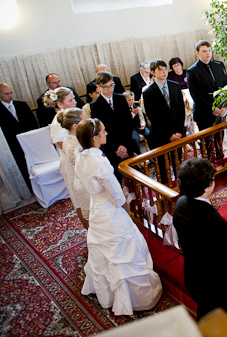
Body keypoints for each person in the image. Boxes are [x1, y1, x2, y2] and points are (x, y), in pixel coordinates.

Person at [75, 118, 162, 316]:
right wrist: (126, 208)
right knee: (123, 250)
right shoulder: (100, 162)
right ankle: (134, 297)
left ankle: (110, 292)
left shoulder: (81, 158)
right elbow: (115, 193)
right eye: (103, 131)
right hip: (110, 211)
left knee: (105, 252)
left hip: (96, 208)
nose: (106, 133)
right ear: (95, 138)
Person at [172, 158, 227, 320]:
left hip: (194, 274)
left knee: (205, 312)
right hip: (216, 285)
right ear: (206, 187)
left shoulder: (181, 203)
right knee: (222, 321)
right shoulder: (211, 221)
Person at [90, 70, 137, 182]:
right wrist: (116, 148)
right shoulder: (95, 106)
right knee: (118, 177)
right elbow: (101, 130)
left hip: (126, 142)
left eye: (111, 85)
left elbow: (128, 122)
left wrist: (124, 145)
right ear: (99, 86)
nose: (110, 89)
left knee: (133, 175)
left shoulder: (120, 98)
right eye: (106, 87)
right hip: (111, 147)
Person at [0, 83, 38, 190]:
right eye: (6, 94)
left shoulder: (22, 105)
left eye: (11, 93)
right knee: (22, 166)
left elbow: (33, 123)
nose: (10, 96)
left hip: (29, 141)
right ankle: (29, 187)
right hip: (13, 145)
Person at [186, 40, 227, 131]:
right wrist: (212, 109)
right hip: (204, 114)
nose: (208, 53)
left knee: (221, 137)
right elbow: (196, 95)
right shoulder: (192, 71)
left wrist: (225, 106)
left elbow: (226, 87)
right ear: (198, 53)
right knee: (207, 139)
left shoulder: (218, 65)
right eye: (204, 51)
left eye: (209, 50)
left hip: (221, 110)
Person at [57, 108, 88, 228]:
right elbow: (83, 167)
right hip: (84, 181)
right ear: (75, 125)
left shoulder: (72, 138)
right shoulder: (73, 144)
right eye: (84, 119)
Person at [123, 90, 149, 155]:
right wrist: (133, 114)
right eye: (129, 100)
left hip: (139, 126)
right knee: (135, 138)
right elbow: (126, 121)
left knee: (148, 133)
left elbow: (141, 118)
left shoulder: (137, 108)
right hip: (131, 128)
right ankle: (138, 154)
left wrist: (143, 125)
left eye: (132, 99)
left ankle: (152, 151)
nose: (131, 101)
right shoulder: (124, 110)